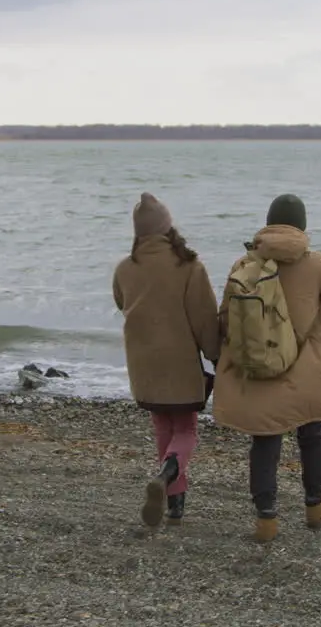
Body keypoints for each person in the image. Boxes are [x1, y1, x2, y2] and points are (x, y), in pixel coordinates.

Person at [213, 194, 321, 543]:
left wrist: (219, 353)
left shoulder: (245, 263)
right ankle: (314, 505)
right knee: (311, 435)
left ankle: (266, 520)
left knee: (264, 441)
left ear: (268, 223)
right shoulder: (315, 264)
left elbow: (226, 315)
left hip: (262, 367)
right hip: (305, 370)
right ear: (302, 226)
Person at [112, 193, 221, 528]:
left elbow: (121, 303)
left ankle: (174, 502)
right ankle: (169, 470)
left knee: (163, 426)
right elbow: (204, 319)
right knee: (186, 428)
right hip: (179, 362)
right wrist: (216, 356)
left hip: (143, 362)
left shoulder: (124, 269)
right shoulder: (189, 267)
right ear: (167, 227)